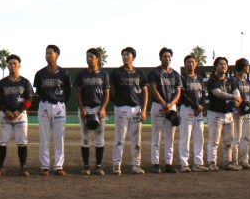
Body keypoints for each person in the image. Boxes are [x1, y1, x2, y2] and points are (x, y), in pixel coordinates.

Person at [0, 55, 34, 177]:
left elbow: (29, 99)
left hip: (20, 115)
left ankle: (23, 168)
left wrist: (19, 110)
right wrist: (5, 111)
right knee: (2, 142)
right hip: (6, 115)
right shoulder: (2, 82)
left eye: (15, 63)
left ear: (19, 65)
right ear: (8, 66)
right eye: (10, 63)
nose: (12, 65)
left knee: (22, 142)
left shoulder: (25, 82)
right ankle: (0, 167)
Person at [34, 45, 72, 176]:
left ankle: (58, 166)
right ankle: (45, 166)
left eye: (50, 53)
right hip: (44, 105)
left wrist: (61, 103)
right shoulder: (40, 74)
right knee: (44, 137)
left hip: (59, 105)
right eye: (46, 53)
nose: (48, 55)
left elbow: (68, 91)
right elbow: (38, 90)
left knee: (59, 138)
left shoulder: (64, 73)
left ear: (57, 55)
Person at [110, 47, 148, 175]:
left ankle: (136, 164)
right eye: (123, 55)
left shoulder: (140, 73)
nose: (125, 57)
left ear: (133, 57)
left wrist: (144, 110)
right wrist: (114, 101)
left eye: (128, 55)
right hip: (122, 107)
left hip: (136, 108)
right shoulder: (116, 73)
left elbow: (145, 91)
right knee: (120, 138)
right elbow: (108, 88)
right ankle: (116, 164)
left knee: (136, 139)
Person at [74, 48, 111, 175]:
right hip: (86, 108)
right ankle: (86, 166)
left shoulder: (104, 75)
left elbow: (107, 93)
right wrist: (82, 109)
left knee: (99, 138)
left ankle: (99, 166)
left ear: (97, 58)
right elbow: (78, 94)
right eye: (87, 56)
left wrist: (102, 108)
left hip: (98, 108)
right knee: (85, 138)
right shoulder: (81, 75)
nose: (88, 58)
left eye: (91, 56)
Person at [147, 47, 182, 173]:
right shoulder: (154, 72)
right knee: (156, 135)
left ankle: (169, 163)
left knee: (170, 137)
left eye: (169, 56)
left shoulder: (175, 74)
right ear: (160, 58)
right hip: (158, 105)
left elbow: (178, 92)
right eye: (164, 56)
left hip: (171, 106)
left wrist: (171, 104)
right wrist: (164, 104)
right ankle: (156, 163)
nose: (167, 58)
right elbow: (154, 90)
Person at [177, 54, 208, 173]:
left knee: (199, 138)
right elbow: (183, 95)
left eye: (192, 62)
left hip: (198, 111)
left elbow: (204, 94)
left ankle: (198, 163)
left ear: (196, 64)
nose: (191, 64)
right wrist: (196, 106)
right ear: (185, 64)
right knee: (185, 137)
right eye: (188, 62)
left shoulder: (199, 78)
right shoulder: (182, 78)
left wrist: (200, 107)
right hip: (187, 109)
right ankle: (184, 163)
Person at [206, 56, 237, 171]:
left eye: (225, 64)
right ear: (216, 66)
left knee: (228, 141)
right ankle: (212, 162)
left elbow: (236, 90)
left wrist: (237, 99)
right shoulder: (212, 80)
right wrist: (233, 97)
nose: (223, 66)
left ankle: (228, 162)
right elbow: (218, 93)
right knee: (214, 141)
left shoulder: (230, 80)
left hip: (228, 114)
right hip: (215, 113)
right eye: (221, 64)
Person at [230, 58, 250, 170]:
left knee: (247, 138)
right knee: (237, 138)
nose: (249, 68)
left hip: (247, 113)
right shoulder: (233, 80)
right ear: (245, 67)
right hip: (238, 113)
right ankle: (235, 161)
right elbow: (237, 97)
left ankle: (244, 160)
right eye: (248, 66)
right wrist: (246, 108)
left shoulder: (246, 81)